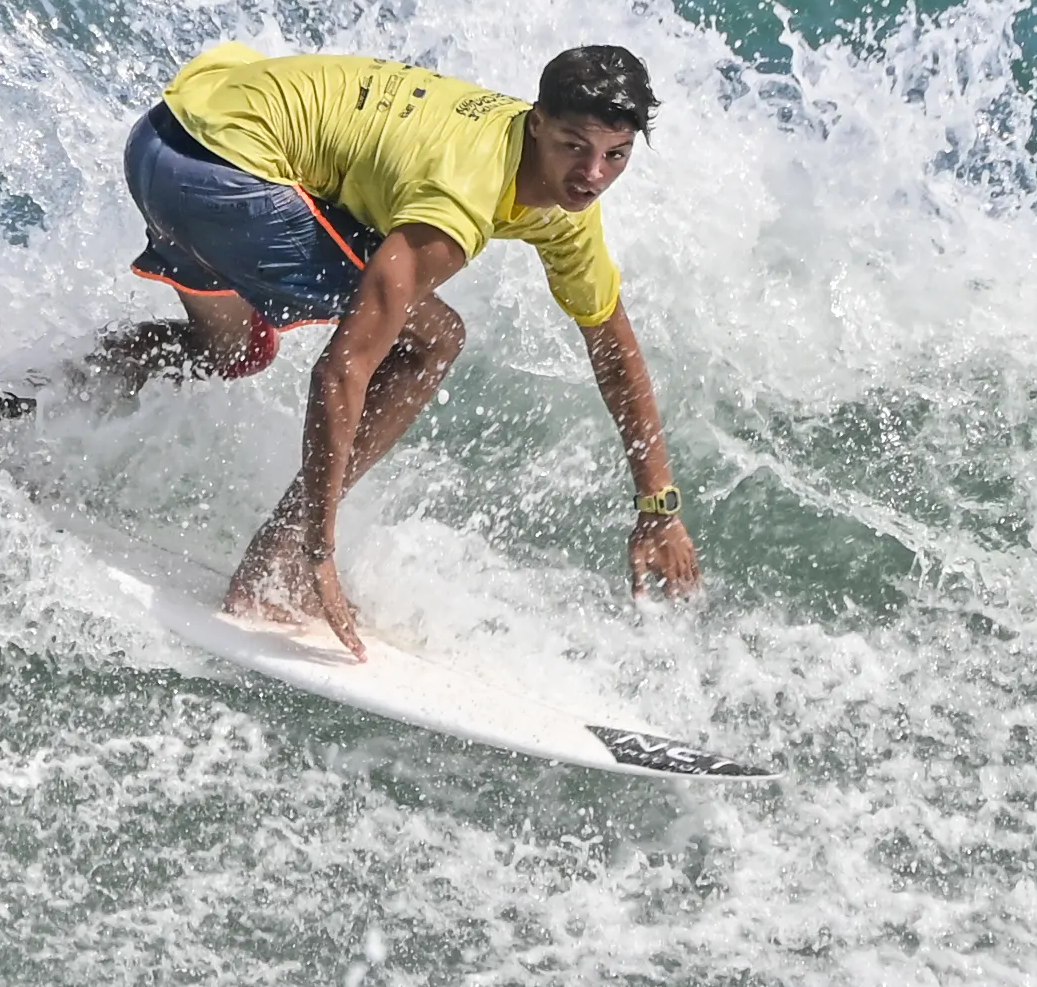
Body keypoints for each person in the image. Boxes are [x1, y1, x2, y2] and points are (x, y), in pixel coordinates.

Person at [84, 39, 696, 658]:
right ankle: (281, 563)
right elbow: (341, 368)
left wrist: (658, 505)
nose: (592, 176)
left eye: (615, 156)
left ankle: (31, 391)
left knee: (231, 350)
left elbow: (614, 348)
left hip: (164, 140)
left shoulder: (565, 206)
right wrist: (318, 548)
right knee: (432, 341)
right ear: (537, 124)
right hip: (219, 176)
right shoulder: (465, 191)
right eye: (574, 147)